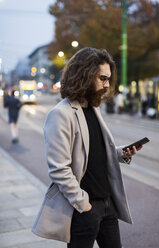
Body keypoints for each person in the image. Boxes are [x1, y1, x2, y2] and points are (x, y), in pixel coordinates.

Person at [32, 48, 143, 248]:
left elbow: (93, 152)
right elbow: (59, 169)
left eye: (109, 79)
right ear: (84, 74)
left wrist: (120, 153)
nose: (107, 84)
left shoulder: (92, 108)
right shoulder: (61, 114)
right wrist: (84, 204)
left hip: (108, 204)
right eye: (102, 78)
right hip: (84, 208)